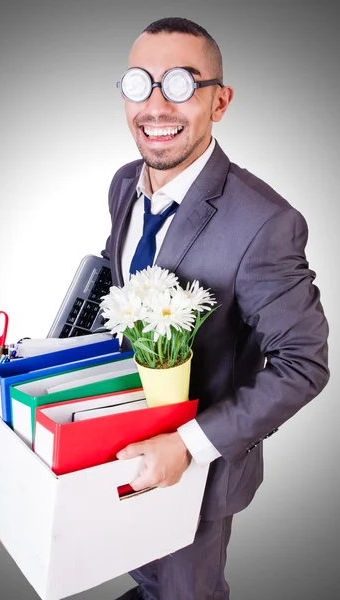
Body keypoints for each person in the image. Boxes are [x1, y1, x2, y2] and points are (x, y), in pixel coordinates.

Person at [101, 16, 330, 600]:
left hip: (200, 468)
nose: (155, 106)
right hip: (125, 446)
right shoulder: (126, 184)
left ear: (220, 101)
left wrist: (187, 446)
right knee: (141, 575)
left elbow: (303, 363)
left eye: (180, 84)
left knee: (185, 593)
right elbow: (124, 288)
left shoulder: (265, 223)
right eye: (139, 84)